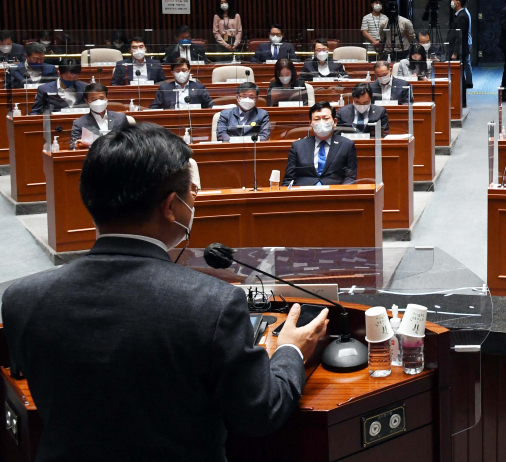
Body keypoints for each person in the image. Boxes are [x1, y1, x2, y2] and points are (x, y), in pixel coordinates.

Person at [1, 123, 328, 461]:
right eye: (192, 194)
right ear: (172, 206)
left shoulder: (21, 300)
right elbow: (260, 413)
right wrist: (290, 350)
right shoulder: (211, 305)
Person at [283, 102, 358, 186]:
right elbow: (289, 179)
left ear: (335, 122)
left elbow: (350, 178)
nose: (321, 122)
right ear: (310, 124)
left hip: (334, 193)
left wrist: (340, 194)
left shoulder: (347, 145)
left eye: (326, 118)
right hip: (305, 193)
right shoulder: (297, 146)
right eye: (316, 119)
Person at [69, 83, 128, 149]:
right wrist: (82, 145)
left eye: (101, 98)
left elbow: (129, 141)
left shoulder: (120, 118)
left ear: (107, 98)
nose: (98, 102)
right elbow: (73, 146)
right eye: (94, 99)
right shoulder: (79, 123)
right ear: (87, 101)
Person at [449, 0, 473, 105]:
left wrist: (455, 52)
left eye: (453, 0)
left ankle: (461, 101)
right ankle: (460, 101)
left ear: (458, 2)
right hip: (458, 50)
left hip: (459, 51)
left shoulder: (462, 16)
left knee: (460, 76)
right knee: (459, 75)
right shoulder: (459, 15)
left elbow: (460, 37)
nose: (452, 2)